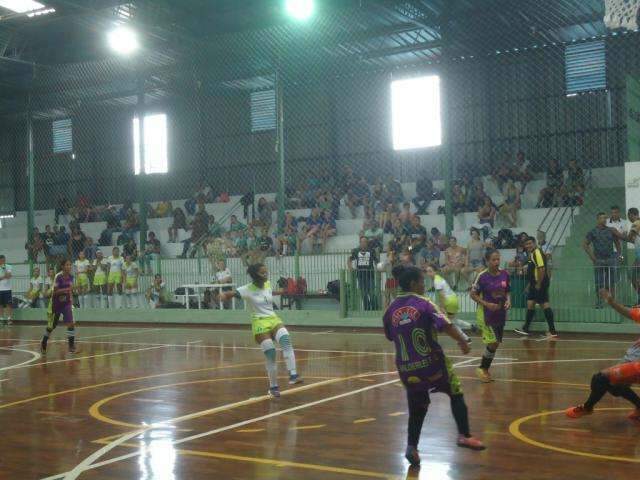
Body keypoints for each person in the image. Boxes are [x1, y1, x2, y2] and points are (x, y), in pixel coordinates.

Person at [383, 265, 485, 466]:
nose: (424, 285)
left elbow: (389, 336)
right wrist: (463, 341)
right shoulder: (424, 303)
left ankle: (411, 447)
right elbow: (446, 325)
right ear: (413, 283)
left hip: (406, 368)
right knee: (455, 392)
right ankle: (464, 435)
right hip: (432, 364)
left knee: (417, 407)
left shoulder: (390, 309)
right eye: (422, 281)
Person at [221, 263, 302, 397]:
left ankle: (293, 375)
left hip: (273, 319)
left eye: (266, 272)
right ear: (255, 275)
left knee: (286, 339)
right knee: (271, 352)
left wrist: (283, 290)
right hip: (259, 322)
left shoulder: (268, 284)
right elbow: (233, 293)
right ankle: (273, 387)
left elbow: (269, 292)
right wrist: (224, 295)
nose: (266, 275)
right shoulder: (247, 289)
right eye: (263, 273)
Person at [566, 289, 640, 421]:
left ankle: (587, 408)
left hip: (637, 366)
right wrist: (611, 302)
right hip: (633, 361)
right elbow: (630, 313)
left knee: (600, 379)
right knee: (615, 387)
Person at [470, 249, 511, 383]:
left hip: (500, 314)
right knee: (493, 342)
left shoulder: (505, 274)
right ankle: (482, 368)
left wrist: (508, 300)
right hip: (486, 315)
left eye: (498, 259)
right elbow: (473, 294)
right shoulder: (482, 276)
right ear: (487, 261)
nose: (496, 262)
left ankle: (484, 368)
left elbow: (507, 291)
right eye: (493, 260)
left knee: (496, 343)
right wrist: (486, 304)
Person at [515, 237, 558, 337]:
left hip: (540, 284)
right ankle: (526, 328)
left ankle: (552, 331)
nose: (528, 246)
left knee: (544, 304)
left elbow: (541, 269)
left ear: (534, 243)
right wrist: (530, 285)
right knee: (530, 303)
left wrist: (538, 284)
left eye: (530, 243)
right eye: (526, 244)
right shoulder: (533, 254)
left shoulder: (537, 252)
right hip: (535, 284)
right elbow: (534, 270)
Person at [425, 265, 473, 342]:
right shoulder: (439, 278)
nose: (428, 273)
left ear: (435, 271)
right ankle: (471, 326)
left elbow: (442, 295)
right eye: (427, 271)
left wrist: (442, 307)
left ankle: (466, 338)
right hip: (453, 299)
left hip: (449, 301)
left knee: (451, 322)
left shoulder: (436, 281)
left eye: (430, 271)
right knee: (452, 320)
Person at [583, 212, 621, 308]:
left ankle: (613, 303)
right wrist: (593, 258)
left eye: (605, 218)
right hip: (599, 260)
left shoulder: (611, 230)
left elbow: (617, 243)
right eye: (602, 218)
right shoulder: (592, 232)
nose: (604, 220)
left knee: (612, 282)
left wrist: (619, 256)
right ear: (598, 219)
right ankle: (599, 302)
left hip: (610, 259)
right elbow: (585, 244)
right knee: (599, 282)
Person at [41, 259, 78, 354]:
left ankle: (71, 346)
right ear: (62, 266)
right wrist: (67, 289)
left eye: (70, 265)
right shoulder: (58, 276)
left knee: (71, 323)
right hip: (56, 304)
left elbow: (70, 291)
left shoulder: (71, 277)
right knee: (52, 326)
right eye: (67, 265)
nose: (69, 267)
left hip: (66, 304)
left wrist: (71, 302)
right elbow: (55, 291)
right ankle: (44, 341)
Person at [348, 237, 379, 311]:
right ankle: (367, 309)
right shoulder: (356, 251)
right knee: (364, 294)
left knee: (371, 293)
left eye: (365, 242)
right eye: (362, 242)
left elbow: (376, 261)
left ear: (367, 243)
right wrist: (351, 268)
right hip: (360, 276)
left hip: (370, 276)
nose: (363, 243)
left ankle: (375, 308)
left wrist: (378, 268)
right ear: (360, 243)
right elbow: (349, 259)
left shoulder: (371, 251)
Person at [626, 208, 640, 304]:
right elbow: (633, 239)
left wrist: (617, 234)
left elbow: (629, 237)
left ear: (631, 215)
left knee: (632, 274)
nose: (628, 217)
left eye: (629, 215)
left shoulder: (636, 223)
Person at [0, 255, 13, 325]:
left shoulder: (8, 266)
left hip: (7, 289)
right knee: (0, 305)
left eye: (4, 260)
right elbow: (6, 276)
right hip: (0, 289)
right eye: (1, 260)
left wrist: (4, 269)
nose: (3, 261)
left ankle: (9, 319)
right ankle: (1, 319)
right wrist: (5, 276)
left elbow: (9, 276)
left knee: (9, 304)